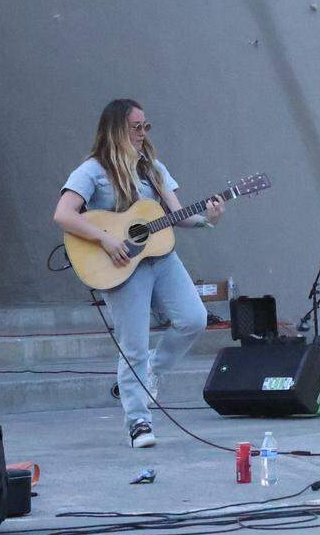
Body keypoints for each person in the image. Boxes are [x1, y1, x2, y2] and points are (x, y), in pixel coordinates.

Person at [53, 99, 222, 448]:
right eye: (136, 126)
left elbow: (179, 215)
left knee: (193, 319)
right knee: (134, 345)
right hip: (119, 264)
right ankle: (139, 422)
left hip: (161, 257)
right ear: (116, 129)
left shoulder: (153, 168)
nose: (143, 133)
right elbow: (64, 214)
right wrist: (105, 238)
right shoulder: (92, 171)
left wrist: (208, 218)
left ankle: (153, 373)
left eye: (146, 126)